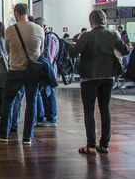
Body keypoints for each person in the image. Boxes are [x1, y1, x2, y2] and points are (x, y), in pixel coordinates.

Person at [70, 10, 128, 155]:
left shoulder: (87, 36)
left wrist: (72, 45)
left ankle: (91, 145)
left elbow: (73, 53)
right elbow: (125, 50)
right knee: (105, 109)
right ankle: (105, 145)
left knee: (89, 110)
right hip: (108, 76)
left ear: (91, 22)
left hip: (89, 76)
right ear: (104, 20)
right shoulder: (113, 35)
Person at [0, 3, 44, 146]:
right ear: (28, 13)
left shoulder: (10, 30)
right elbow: (41, 50)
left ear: (16, 13)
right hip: (33, 71)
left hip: (16, 70)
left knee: (8, 101)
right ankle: (28, 137)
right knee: (31, 102)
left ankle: (3, 134)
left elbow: (7, 50)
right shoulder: (39, 29)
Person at [34, 17, 59, 127]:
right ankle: (42, 115)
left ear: (44, 26)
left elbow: (49, 57)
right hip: (42, 69)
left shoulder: (50, 37)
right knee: (42, 92)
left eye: (39, 25)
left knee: (49, 93)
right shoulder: (42, 36)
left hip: (48, 70)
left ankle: (51, 118)